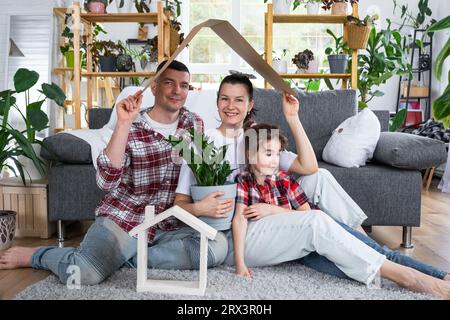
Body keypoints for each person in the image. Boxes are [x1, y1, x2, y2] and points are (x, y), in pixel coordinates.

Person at [173, 74, 450, 298]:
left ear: (249, 103)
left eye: (238, 99)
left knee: (322, 179)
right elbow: (180, 204)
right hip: (241, 231)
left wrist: (293, 118)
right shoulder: (203, 143)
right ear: (217, 102)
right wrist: (201, 206)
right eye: (224, 98)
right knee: (316, 221)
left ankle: (367, 245)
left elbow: (309, 169)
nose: (230, 106)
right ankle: (405, 274)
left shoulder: (259, 137)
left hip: (274, 220)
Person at [0, 60, 228, 285]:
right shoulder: (131, 124)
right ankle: (37, 255)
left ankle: (125, 259)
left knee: (217, 247)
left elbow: (199, 172)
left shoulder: (193, 123)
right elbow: (107, 182)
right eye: (169, 83)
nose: (177, 91)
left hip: (170, 223)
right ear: (155, 87)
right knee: (86, 272)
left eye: (184, 85)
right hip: (126, 217)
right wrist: (122, 124)